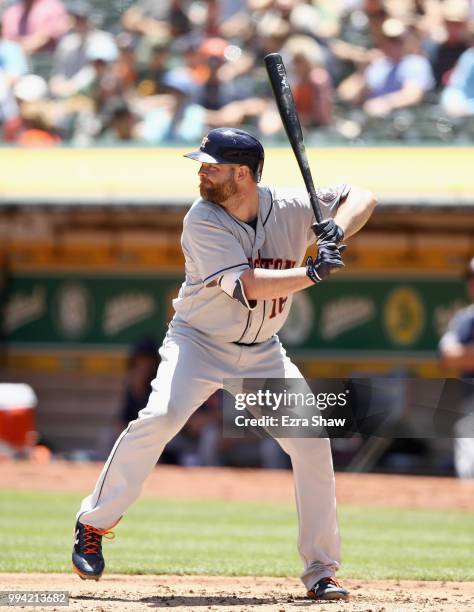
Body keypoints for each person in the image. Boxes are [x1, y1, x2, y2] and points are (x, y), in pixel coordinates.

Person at [71, 127, 377, 601]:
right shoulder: (202, 220)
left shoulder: (294, 205)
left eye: (212, 165)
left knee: (312, 443)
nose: (202, 171)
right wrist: (314, 271)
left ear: (243, 174)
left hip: (261, 353)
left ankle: (321, 570)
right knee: (161, 417)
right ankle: (93, 523)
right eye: (203, 163)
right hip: (199, 342)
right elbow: (248, 285)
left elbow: (363, 195)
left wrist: (339, 228)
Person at [439, 257, 474, 478]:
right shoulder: (466, 317)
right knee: (469, 472)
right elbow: (447, 356)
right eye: (471, 278)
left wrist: (466, 353)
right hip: (471, 405)